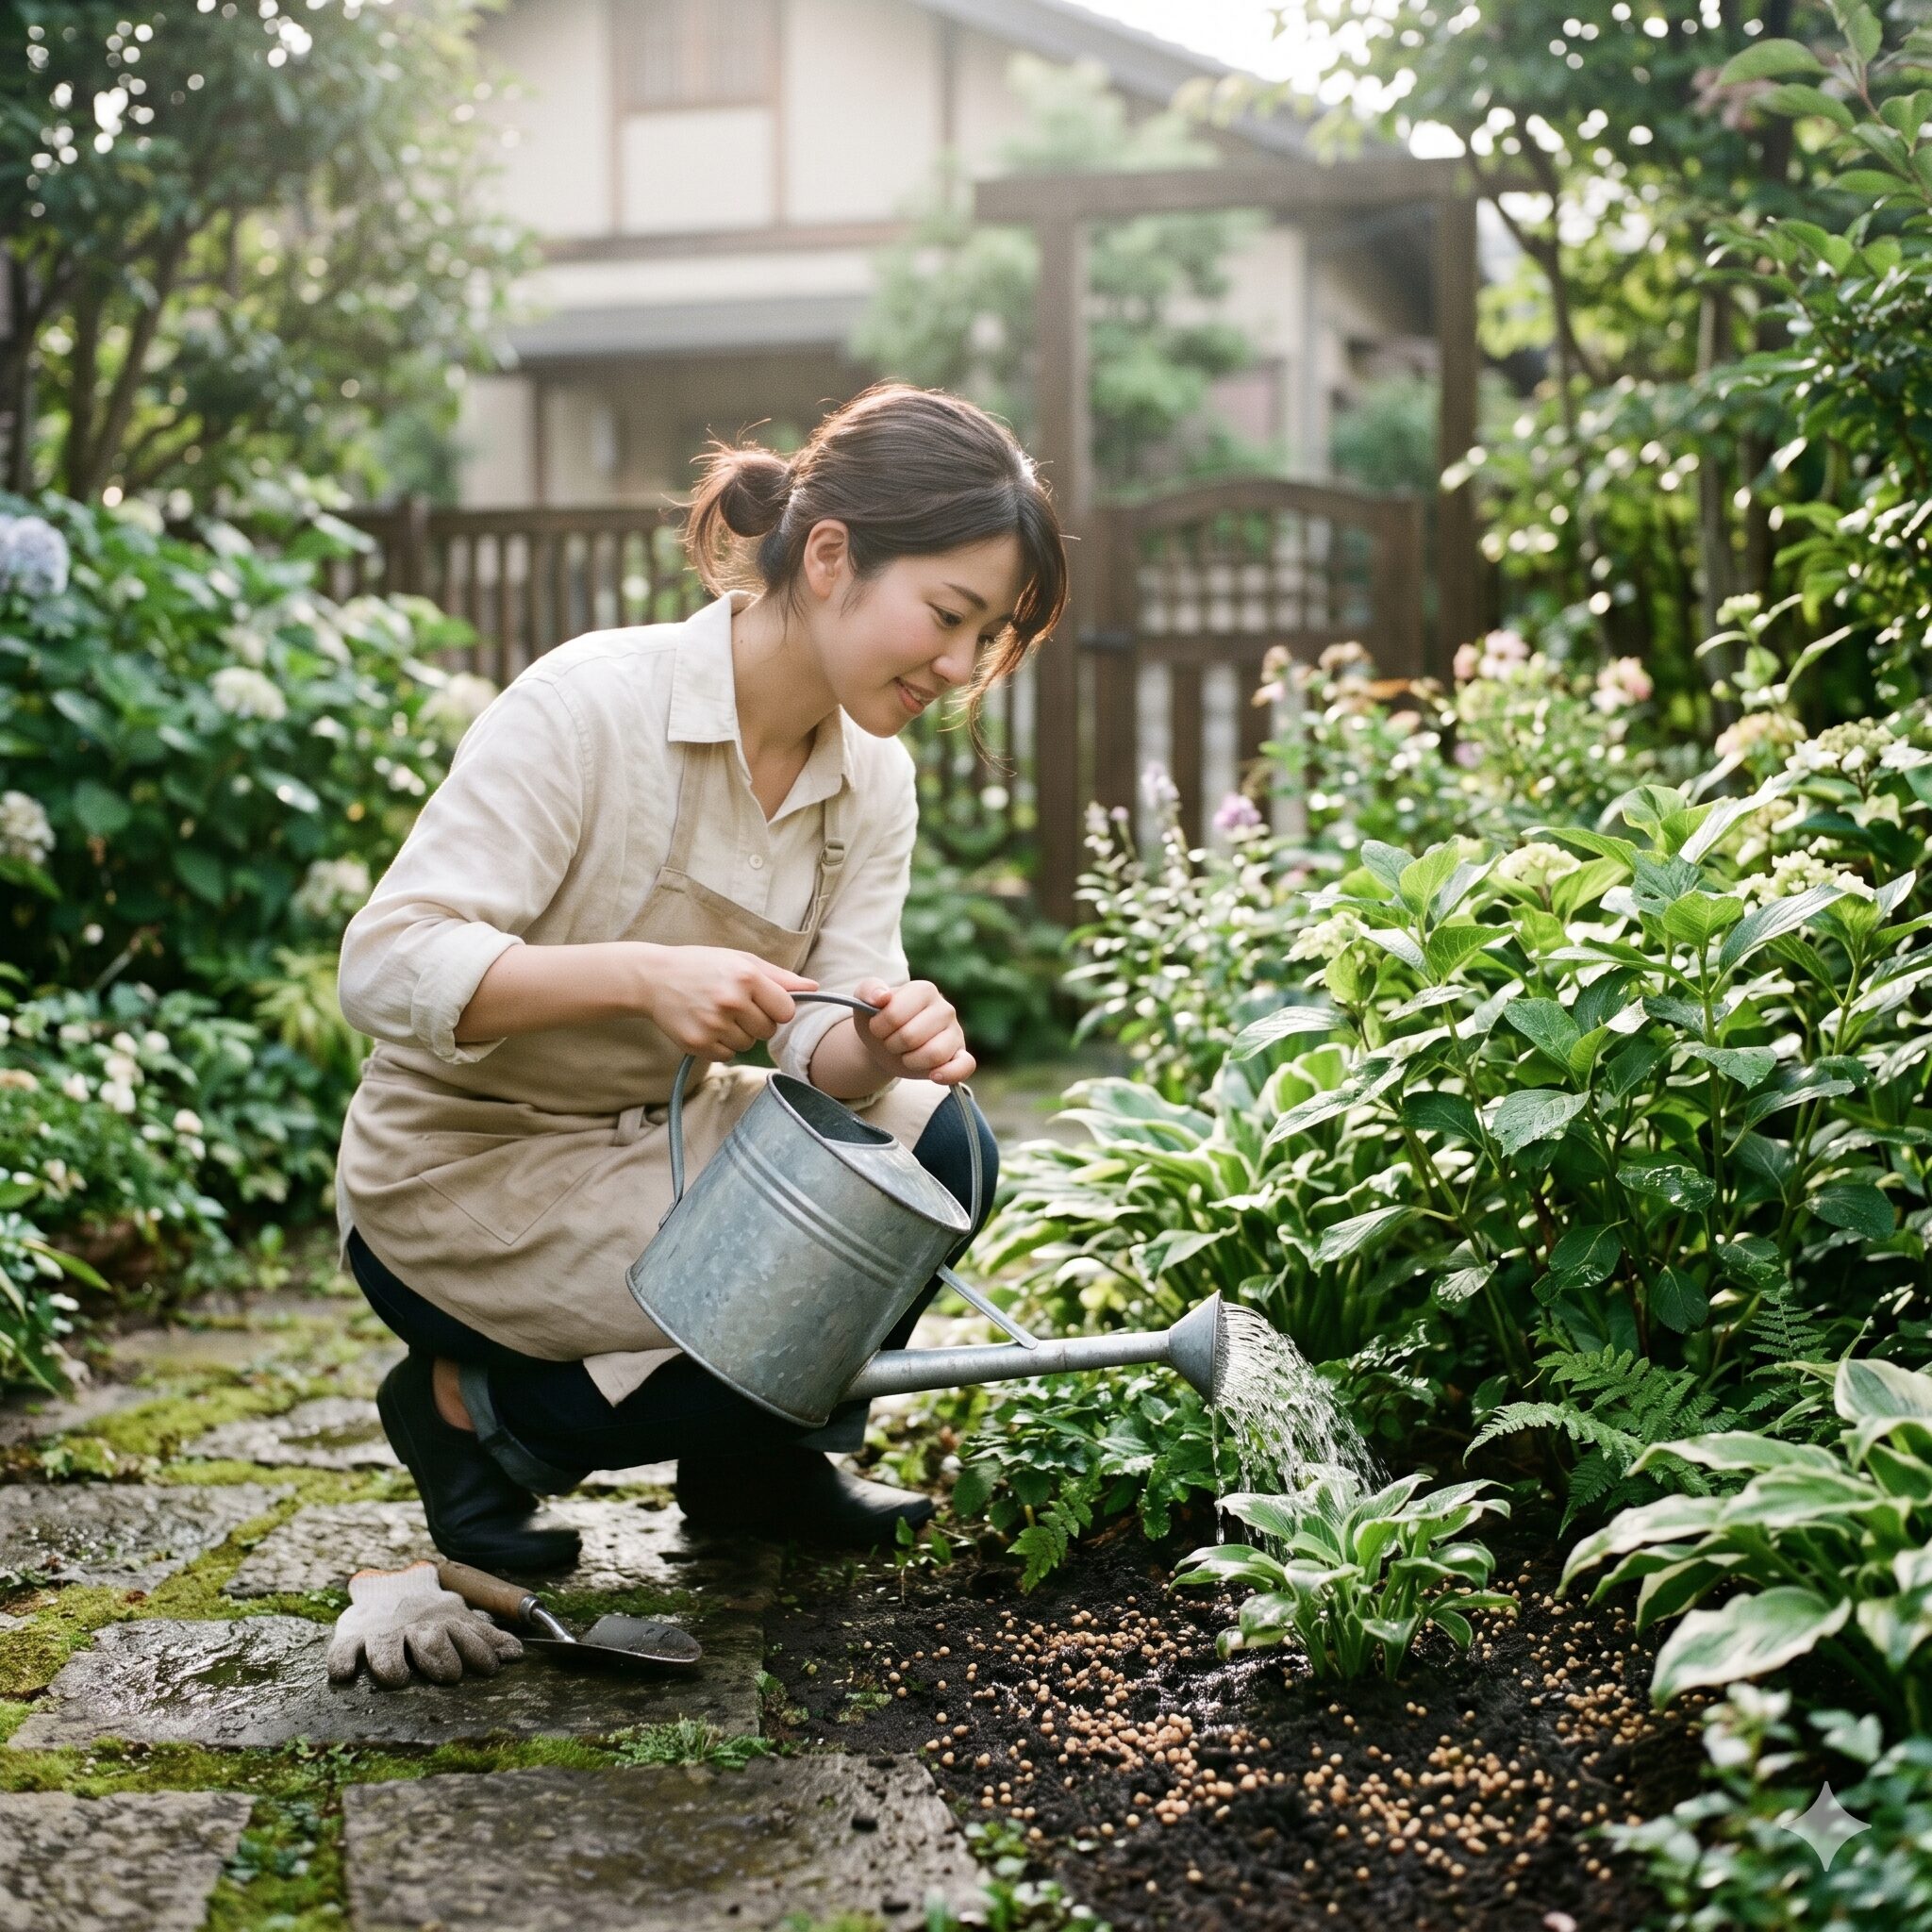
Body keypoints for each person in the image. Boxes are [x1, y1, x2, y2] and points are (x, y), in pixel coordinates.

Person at [333, 382, 1069, 1574]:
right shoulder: (589, 706)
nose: (958, 663)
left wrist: (879, 1037)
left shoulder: (869, 776)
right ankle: (470, 1414)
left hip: (657, 1141)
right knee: (784, 1279)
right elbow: (383, 962)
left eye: (985, 637)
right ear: (828, 553)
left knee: (943, 1147)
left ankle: (750, 1470)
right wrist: (637, 977)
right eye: (947, 613)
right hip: (465, 1164)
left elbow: (821, 1049)